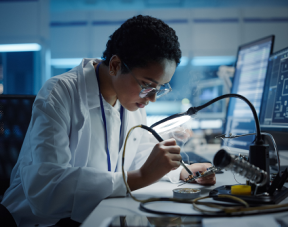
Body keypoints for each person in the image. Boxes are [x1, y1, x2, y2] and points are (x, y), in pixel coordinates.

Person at [1, 15, 216, 226]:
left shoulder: (131, 101)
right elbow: (46, 190)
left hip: (98, 214)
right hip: (39, 222)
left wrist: (183, 171)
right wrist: (140, 176)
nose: (151, 98)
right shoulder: (60, 93)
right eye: (147, 85)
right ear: (115, 65)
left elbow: (138, 155)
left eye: (159, 88)